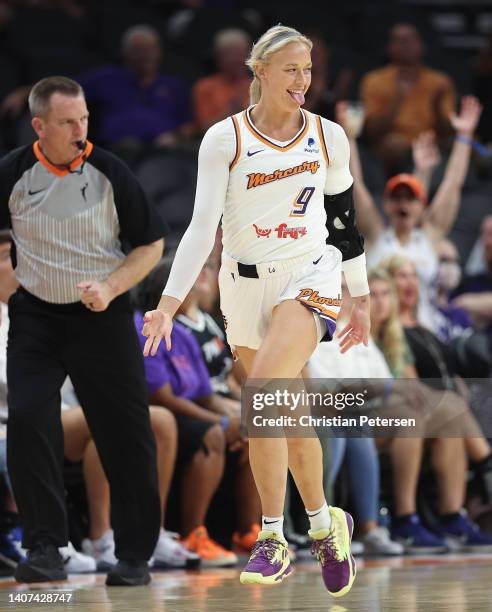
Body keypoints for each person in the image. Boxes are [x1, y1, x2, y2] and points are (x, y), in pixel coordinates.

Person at [142, 25, 371, 597]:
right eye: (292, 69)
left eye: (309, 69)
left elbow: (343, 223)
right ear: (261, 72)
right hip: (242, 286)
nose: (304, 81)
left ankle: (273, 538)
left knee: (264, 394)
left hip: (309, 274)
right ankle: (324, 523)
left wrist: (359, 295)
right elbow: (200, 229)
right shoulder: (225, 139)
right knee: (284, 414)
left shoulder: (329, 136)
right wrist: (168, 305)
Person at [0, 76, 167, 586]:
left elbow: (151, 244)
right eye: (69, 122)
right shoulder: (12, 172)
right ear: (40, 126)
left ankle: (135, 554)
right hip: (35, 317)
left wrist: (113, 287)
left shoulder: (110, 171)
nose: (80, 129)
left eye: (85, 119)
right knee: (28, 420)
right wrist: (9, 289)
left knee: (126, 433)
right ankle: (46, 546)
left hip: (104, 316)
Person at [340, 94, 482, 331]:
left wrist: (464, 137)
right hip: (380, 331)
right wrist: (350, 137)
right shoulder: (376, 237)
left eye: (410, 198)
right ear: (386, 205)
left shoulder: (430, 237)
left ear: (421, 206)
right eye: (396, 198)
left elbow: (452, 184)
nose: (402, 204)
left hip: (426, 331)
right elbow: (355, 184)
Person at [360, 22, 455, 173]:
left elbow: (449, 130)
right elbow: (370, 132)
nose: (405, 45)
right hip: (394, 143)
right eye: (399, 40)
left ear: (421, 45)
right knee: (394, 143)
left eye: (410, 40)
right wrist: (397, 100)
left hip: (434, 141)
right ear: (389, 47)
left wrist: (436, 106)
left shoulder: (439, 81)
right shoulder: (374, 80)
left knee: (468, 142)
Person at [79, 24, 193, 149]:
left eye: (150, 49)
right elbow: (66, 91)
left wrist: (175, 136)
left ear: (159, 52)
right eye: (138, 50)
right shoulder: (105, 78)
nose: (145, 56)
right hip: (120, 149)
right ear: (125, 53)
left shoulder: (173, 86)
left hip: (164, 150)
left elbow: (188, 126)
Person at [193, 28, 252, 135]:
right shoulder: (205, 87)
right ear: (218, 57)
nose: (235, 59)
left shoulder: (262, 85)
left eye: (239, 54)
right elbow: (204, 128)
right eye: (229, 54)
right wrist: (233, 111)